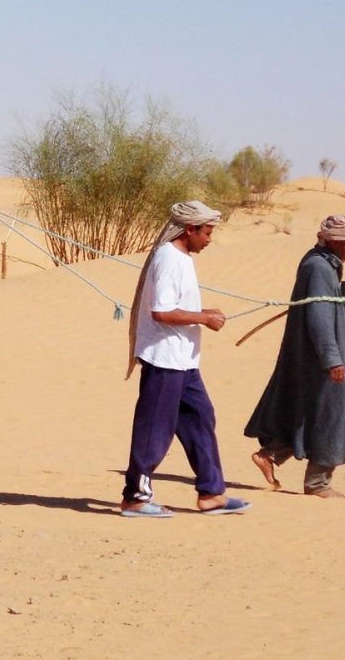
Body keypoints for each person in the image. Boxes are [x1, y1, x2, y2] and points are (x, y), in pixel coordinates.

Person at [119, 200, 251, 518]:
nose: (209, 239)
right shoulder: (168, 259)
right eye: (206, 232)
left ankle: (211, 493)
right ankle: (135, 498)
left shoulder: (183, 257)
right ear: (190, 230)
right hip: (164, 358)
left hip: (184, 360)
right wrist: (203, 318)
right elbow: (161, 311)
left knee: (200, 418)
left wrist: (202, 316)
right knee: (155, 430)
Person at [244, 214, 345, 498]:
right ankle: (318, 483)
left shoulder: (322, 264)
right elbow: (319, 317)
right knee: (335, 411)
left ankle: (272, 455)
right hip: (322, 354)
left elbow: (324, 307)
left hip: (318, 352)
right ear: (334, 240)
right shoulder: (318, 267)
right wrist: (332, 359)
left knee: (312, 410)